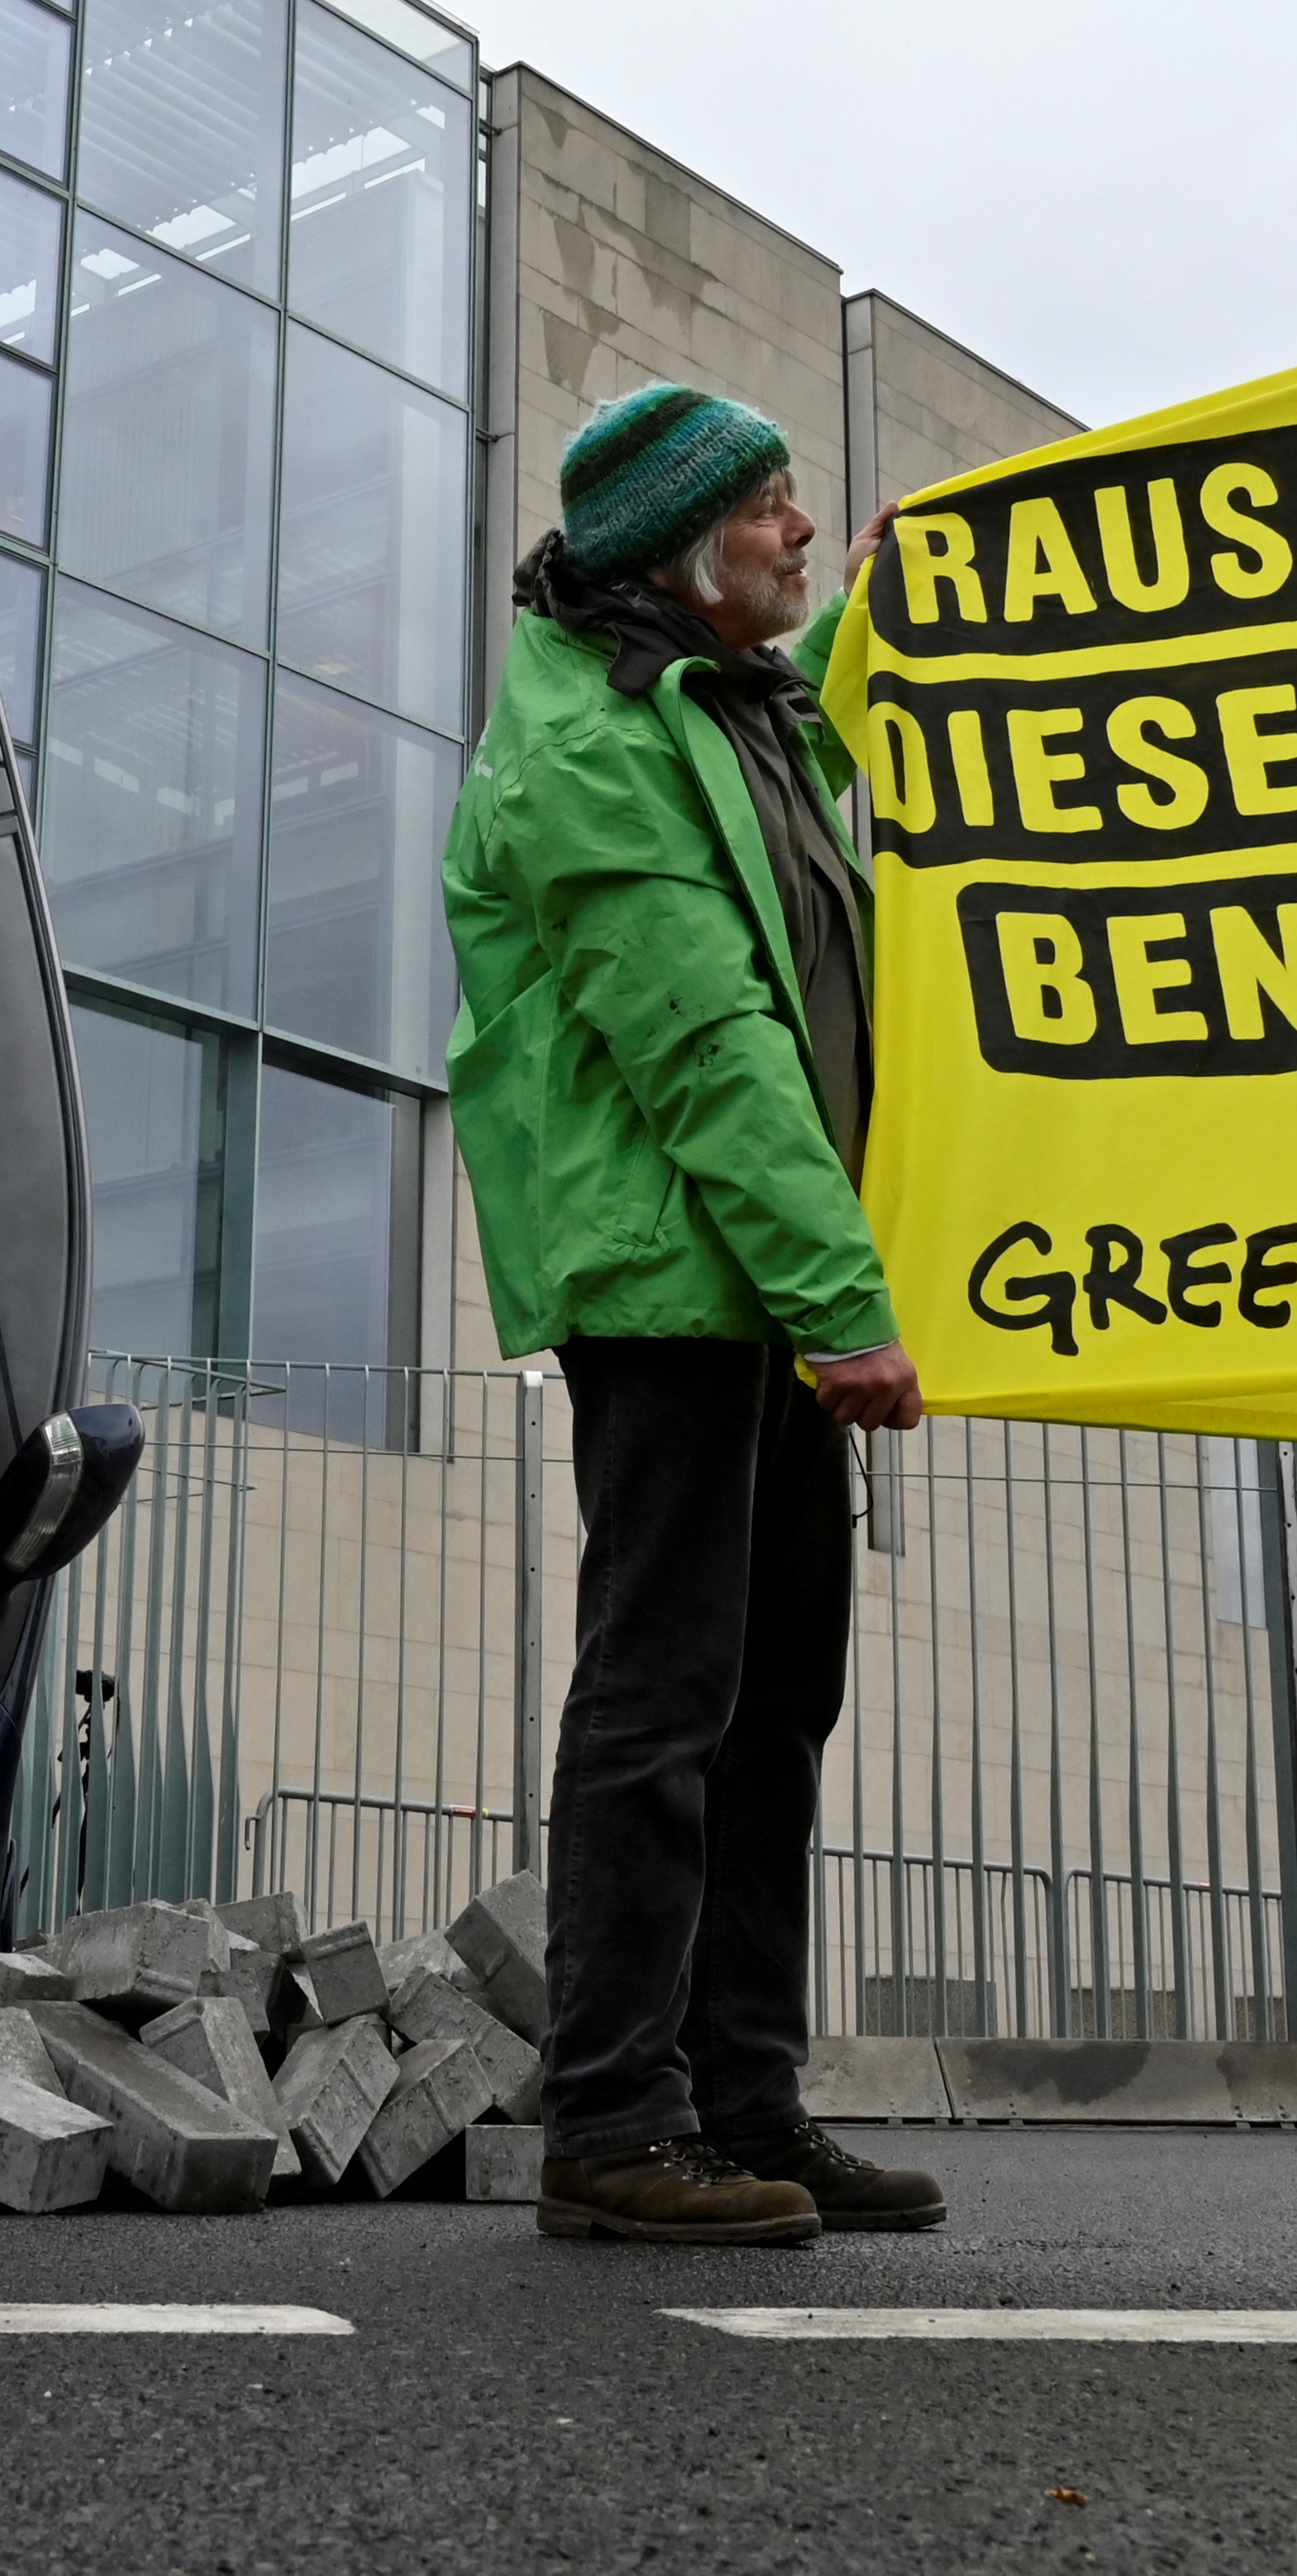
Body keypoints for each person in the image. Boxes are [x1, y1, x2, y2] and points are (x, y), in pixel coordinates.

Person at [443, 380, 946, 2248]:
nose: (804, 527)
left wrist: (907, 604)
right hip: (677, 1280)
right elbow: (709, 1042)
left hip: (771, 1285)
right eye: (771, 505)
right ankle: (610, 2118)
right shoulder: (584, 741)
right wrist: (843, 1296)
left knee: (777, 1700)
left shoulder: (744, 713)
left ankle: (748, 2099)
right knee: (664, 1692)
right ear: (679, 543)